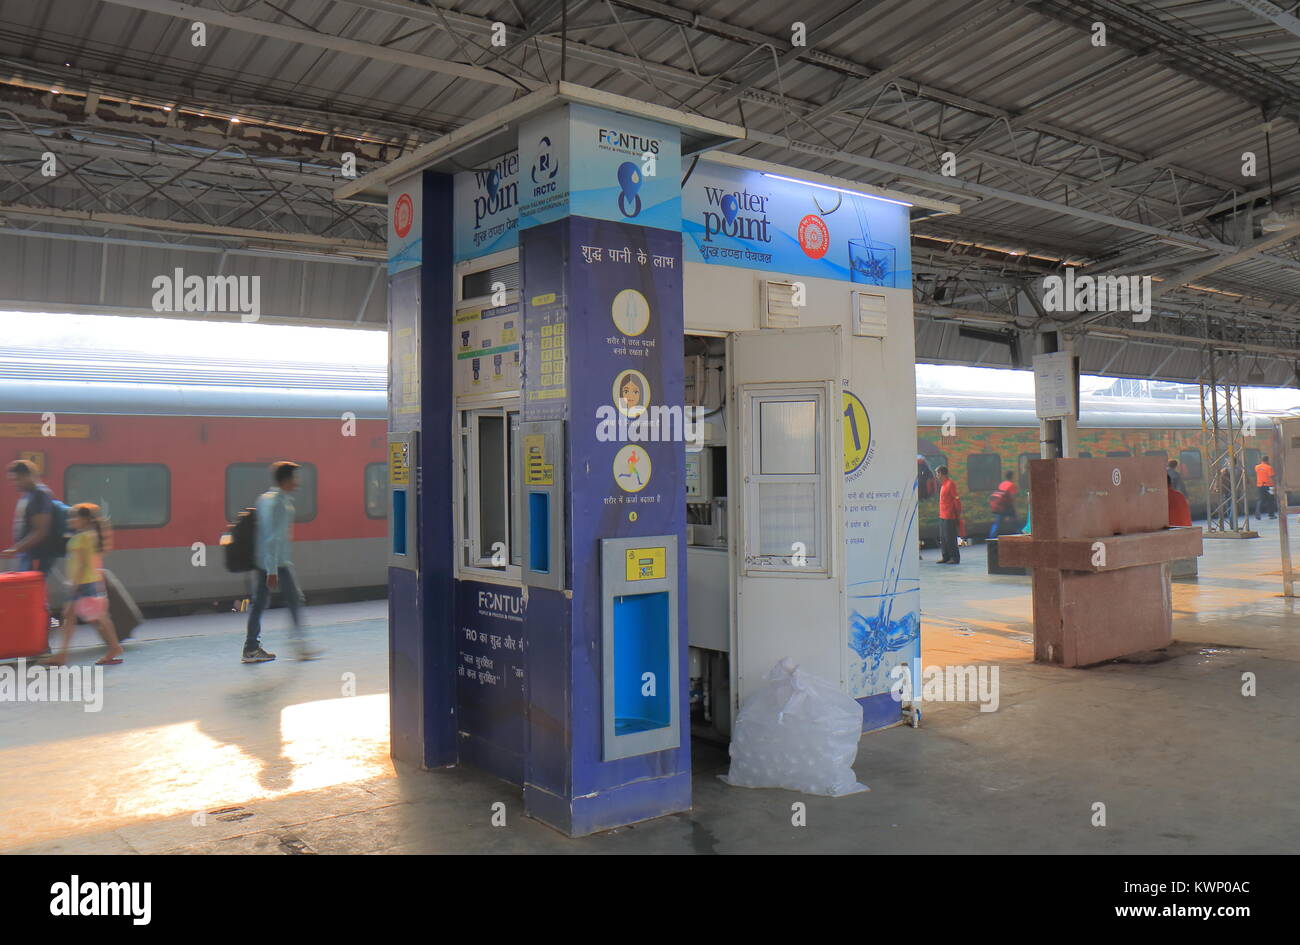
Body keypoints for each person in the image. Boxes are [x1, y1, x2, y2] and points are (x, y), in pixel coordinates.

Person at [242, 461, 318, 663]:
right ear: (287, 479)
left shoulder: (264, 499)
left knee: (259, 605)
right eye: (295, 477)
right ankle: (299, 647)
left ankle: (251, 648)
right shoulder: (281, 504)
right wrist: (272, 570)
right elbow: (272, 539)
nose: (298, 481)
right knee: (294, 601)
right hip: (277, 564)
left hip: (263, 561)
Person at [45, 504, 122, 666]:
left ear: (85, 519)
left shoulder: (80, 538)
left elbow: (80, 565)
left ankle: (113, 647)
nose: (71, 520)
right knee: (83, 617)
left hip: (82, 583)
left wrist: (74, 584)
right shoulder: (91, 535)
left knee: (91, 617)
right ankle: (64, 654)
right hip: (89, 581)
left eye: (74, 517)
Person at [2, 459, 57, 574]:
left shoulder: (39, 495)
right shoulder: (28, 495)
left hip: (37, 555)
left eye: (17, 479)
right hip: (27, 554)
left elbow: (41, 530)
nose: (14, 483)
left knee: (32, 589)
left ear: (28, 476)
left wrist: (16, 549)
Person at [935, 465, 961, 564]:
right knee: (943, 538)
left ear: (941, 473)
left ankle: (955, 557)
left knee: (950, 538)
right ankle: (945, 556)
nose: (936, 475)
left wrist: (957, 514)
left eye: (937, 473)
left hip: (949, 515)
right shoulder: (943, 485)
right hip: (942, 515)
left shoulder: (950, 484)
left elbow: (956, 500)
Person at [1255, 455, 1277, 519]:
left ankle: (1257, 513)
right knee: (1271, 500)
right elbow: (1271, 477)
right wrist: (1274, 486)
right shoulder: (1269, 467)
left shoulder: (1257, 467)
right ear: (1267, 460)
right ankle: (1271, 515)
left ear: (1261, 460)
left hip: (1259, 485)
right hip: (1269, 486)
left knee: (1260, 500)